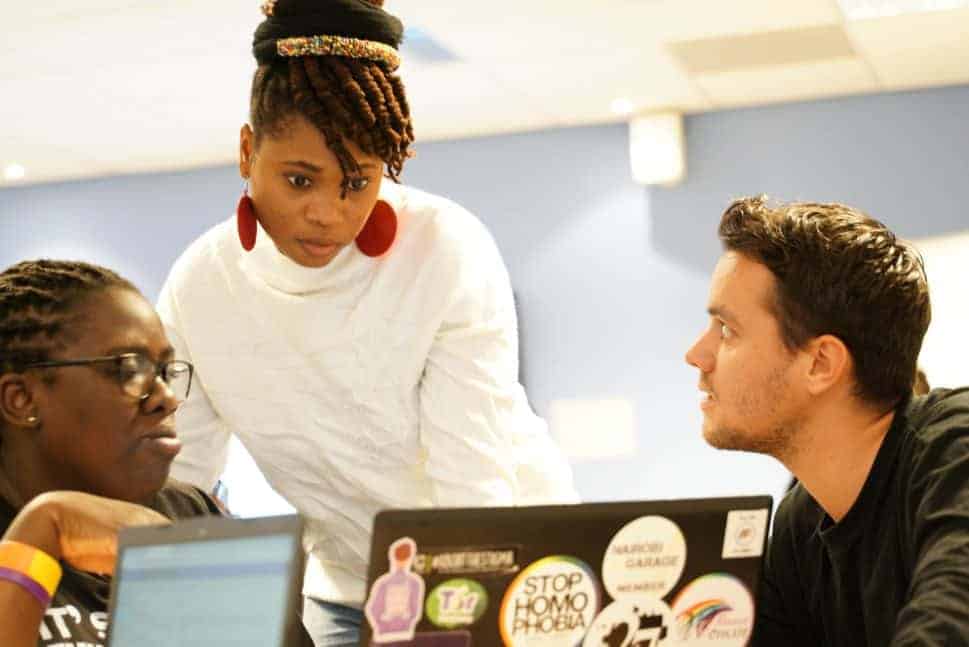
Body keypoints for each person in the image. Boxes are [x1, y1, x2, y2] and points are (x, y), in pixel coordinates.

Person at [156, 1, 577, 644]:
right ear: (247, 152)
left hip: (511, 564)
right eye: (300, 179)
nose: (328, 211)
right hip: (348, 586)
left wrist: (466, 620)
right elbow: (182, 486)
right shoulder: (199, 286)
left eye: (358, 181)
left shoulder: (443, 250)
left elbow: (471, 484)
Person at [684, 196, 969, 646]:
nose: (697, 356)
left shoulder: (956, 449)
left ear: (820, 364)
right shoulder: (802, 523)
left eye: (727, 331)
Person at [0, 259, 220, 646]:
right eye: (127, 369)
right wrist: (44, 528)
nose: (166, 399)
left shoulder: (190, 515)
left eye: (166, 372)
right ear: (22, 399)